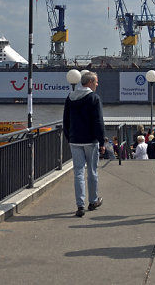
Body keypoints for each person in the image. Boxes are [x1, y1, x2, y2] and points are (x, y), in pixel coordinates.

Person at [62, 70, 105, 217]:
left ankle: (80, 205)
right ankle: (93, 201)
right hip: (90, 141)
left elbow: (65, 120)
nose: (97, 85)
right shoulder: (94, 98)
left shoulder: (70, 97)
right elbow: (98, 122)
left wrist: (70, 137)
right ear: (90, 82)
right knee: (92, 172)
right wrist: (101, 140)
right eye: (96, 82)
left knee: (78, 173)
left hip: (75, 140)